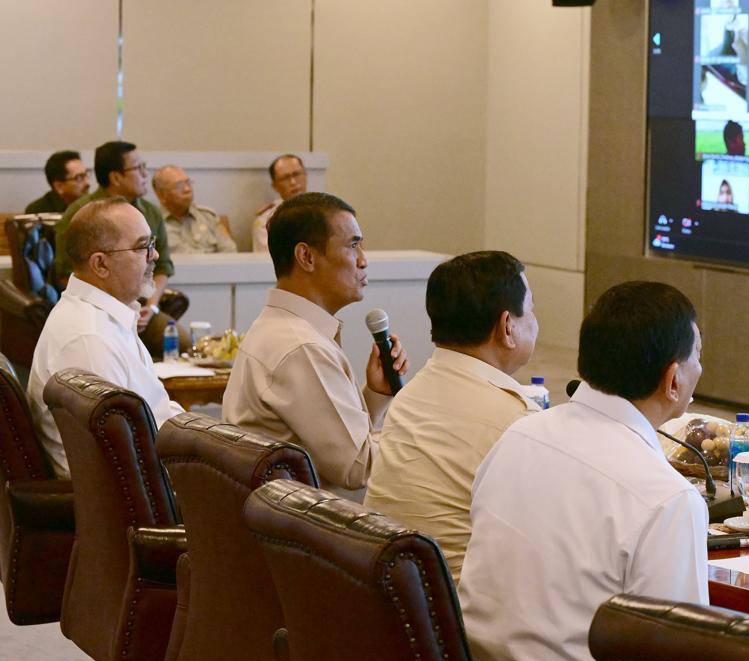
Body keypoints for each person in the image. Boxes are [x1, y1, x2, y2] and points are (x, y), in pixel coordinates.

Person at [460, 281, 708, 661]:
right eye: (697, 355)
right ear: (672, 380)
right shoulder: (667, 498)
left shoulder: (519, 436)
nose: (700, 367)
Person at [364, 251, 540, 583]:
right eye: (530, 308)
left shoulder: (409, 395)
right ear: (507, 327)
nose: (534, 319)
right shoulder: (517, 420)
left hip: (390, 595)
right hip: (458, 605)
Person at [223, 193, 408, 497]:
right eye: (353, 245)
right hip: (304, 522)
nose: (364, 260)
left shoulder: (281, 328)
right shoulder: (301, 346)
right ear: (306, 257)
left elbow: (339, 447)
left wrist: (376, 395)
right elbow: (357, 467)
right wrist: (429, 440)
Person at [27, 198, 184, 478]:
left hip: (153, 471)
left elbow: (157, 410)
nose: (155, 255)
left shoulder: (107, 317)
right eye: (142, 247)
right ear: (100, 264)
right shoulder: (89, 338)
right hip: (132, 495)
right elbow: (118, 459)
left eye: (152, 243)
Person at [55, 141, 174, 334]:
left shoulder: (151, 212)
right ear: (116, 177)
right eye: (138, 168)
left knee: (180, 340)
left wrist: (151, 307)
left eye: (145, 166)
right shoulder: (80, 214)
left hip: (142, 307)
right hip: (98, 307)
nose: (146, 174)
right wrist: (118, 310)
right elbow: (66, 272)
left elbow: (163, 266)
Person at [152, 165, 237, 254]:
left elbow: (230, 250)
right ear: (161, 194)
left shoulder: (208, 217)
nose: (187, 189)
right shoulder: (154, 223)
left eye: (188, 183)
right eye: (179, 185)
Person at [251, 154, 308, 252]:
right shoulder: (266, 221)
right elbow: (268, 257)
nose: (293, 182)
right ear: (275, 186)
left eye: (296, 174)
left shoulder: (324, 212)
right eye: (285, 178)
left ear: (306, 175)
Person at [25, 151, 90, 214]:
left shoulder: (91, 205)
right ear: (59, 187)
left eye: (86, 174)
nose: (87, 183)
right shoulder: (38, 211)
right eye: (79, 178)